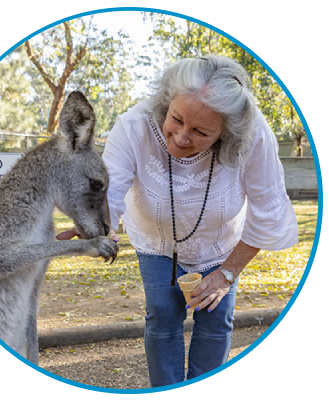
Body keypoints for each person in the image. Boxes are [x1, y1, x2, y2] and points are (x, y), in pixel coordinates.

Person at [59, 55, 298, 387]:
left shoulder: (253, 136)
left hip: (220, 242)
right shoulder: (134, 125)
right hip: (157, 238)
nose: (181, 137)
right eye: (176, 119)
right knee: (162, 314)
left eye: (200, 131)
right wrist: (97, 226)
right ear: (166, 103)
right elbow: (109, 191)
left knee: (216, 321)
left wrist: (227, 273)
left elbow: (268, 212)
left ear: (226, 133)